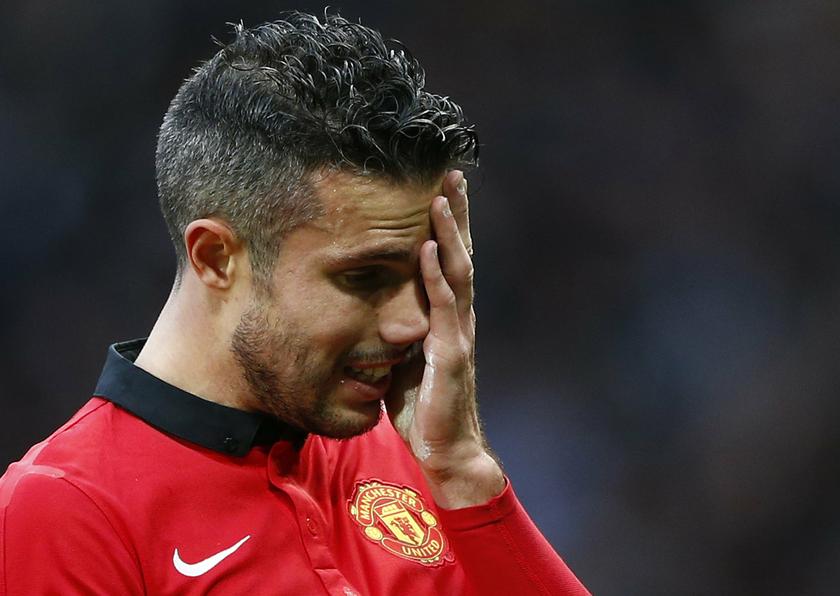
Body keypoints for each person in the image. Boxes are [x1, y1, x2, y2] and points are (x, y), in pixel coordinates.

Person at [0, 12, 589, 595]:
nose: (412, 323)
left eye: (422, 273)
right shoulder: (66, 511)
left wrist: (461, 469)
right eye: (363, 277)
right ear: (216, 257)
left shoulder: (413, 452)